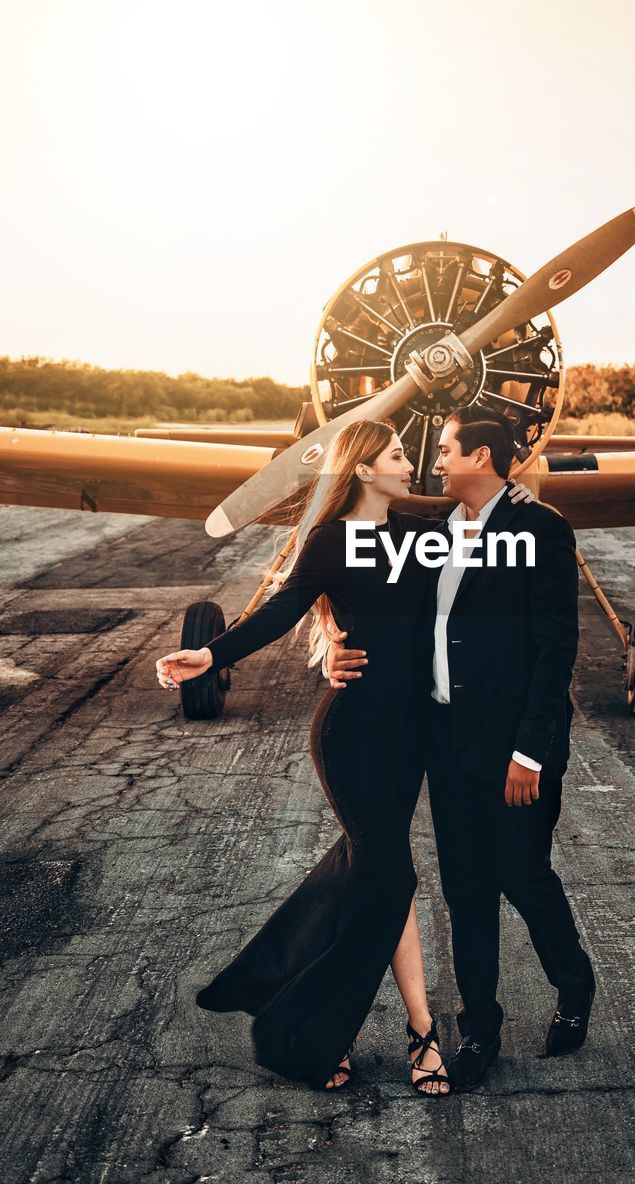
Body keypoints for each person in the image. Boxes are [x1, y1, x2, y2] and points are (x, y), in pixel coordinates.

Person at [154, 420, 454, 1095]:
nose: (413, 464)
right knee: (391, 871)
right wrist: (208, 655)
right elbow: (280, 611)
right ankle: (414, 1030)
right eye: (400, 456)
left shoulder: (418, 536)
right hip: (350, 734)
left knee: (381, 876)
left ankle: (325, 1014)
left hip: (410, 734)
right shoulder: (330, 542)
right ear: (367, 469)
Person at [326, 405, 596, 1092]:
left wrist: (531, 753)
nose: (435, 460)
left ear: (481, 458)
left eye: (446, 449)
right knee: (466, 889)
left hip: (514, 750)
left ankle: (574, 987)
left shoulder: (542, 529)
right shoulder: (431, 532)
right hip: (445, 744)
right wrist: (335, 647)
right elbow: (362, 582)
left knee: (523, 877)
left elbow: (555, 647)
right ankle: (480, 1028)